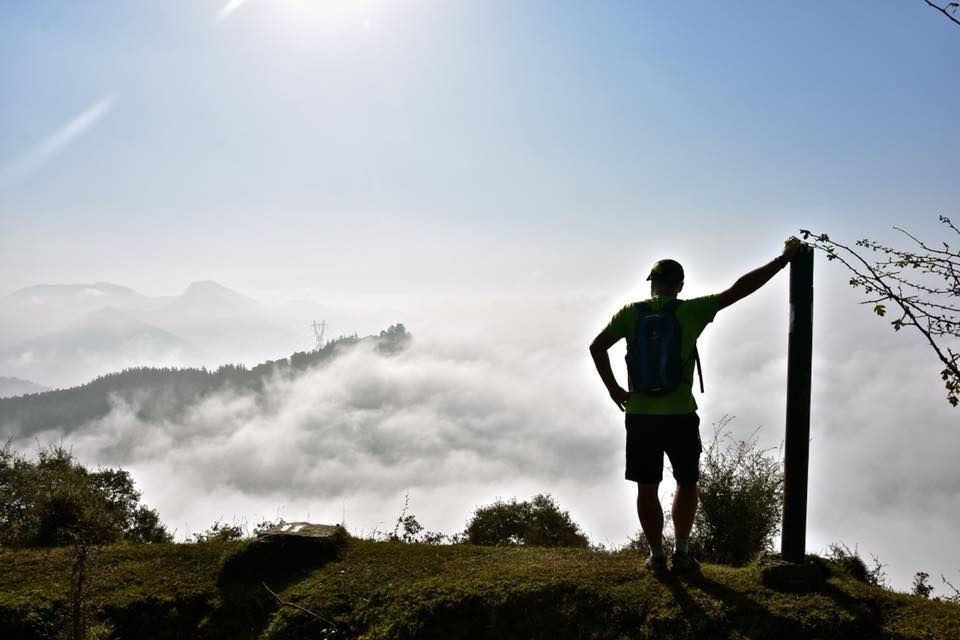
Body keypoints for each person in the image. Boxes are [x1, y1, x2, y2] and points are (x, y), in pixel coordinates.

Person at [589, 238, 803, 574]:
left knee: (647, 487)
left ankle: (656, 556)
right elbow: (739, 289)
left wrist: (615, 389)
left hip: (640, 415)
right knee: (687, 482)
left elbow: (596, 346)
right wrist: (782, 261)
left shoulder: (630, 313)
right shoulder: (690, 311)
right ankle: (682, 553)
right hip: (680, 415)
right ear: (680, 285)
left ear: (652, 284)